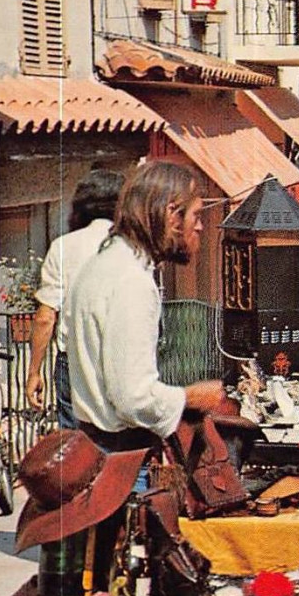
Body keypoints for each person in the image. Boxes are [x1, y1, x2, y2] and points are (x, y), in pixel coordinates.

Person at [63, 160, 226, 447]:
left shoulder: (105, 264)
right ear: (172, 216)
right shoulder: (131, 281)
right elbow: (132, 398)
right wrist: (192, 396)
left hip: (97, 444)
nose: (200, 227)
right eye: (196, 216)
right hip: (121, 454)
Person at [25, 168, 124, 429]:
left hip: (75, 361)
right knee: (126, 449)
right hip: (121, 358)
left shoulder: (63, 247)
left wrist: (34, 372)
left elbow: (46, 318)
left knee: (77, 451)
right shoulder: (133, 246)